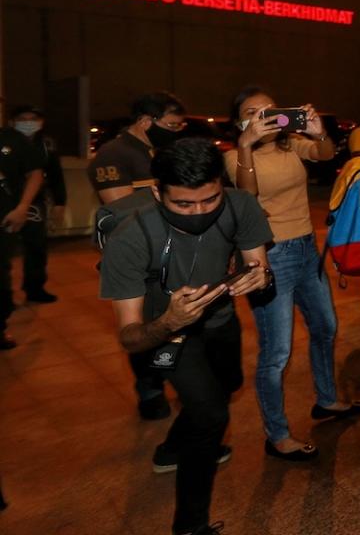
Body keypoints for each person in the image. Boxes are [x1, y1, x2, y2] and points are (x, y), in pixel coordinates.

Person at [100, 138, 272, 535]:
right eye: (183, 205)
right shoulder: (130, 238)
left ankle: (171, 449)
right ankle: (189, 525)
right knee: (212, 414)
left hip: (221, 319)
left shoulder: (240, 205)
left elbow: (257, 267)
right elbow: (130, 338)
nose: (199, 212)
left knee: (228, 385)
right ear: (157, 191)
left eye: (209, 200)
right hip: (166, 335)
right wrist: (169, 321)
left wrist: (262, 276)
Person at [224, 86, 360, 461]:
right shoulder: (233, 156)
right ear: (241, 120)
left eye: (271, 109)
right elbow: (247, 194)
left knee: (325, 327)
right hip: (270, 256)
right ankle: (278, 434)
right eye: (254, 112)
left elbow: (324, 153)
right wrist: (245, 145)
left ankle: (327, 399)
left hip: (305, 248)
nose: (264, 117)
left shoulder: (290, 146)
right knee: (277, 351)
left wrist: (318, 131)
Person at [88, 91, 187, 420]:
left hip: (172, 249)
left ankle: (181, 380)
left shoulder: (158, 150)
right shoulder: (112, 154)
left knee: (176, 321)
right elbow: (123, 214)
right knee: (142, 327)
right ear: (147, 121)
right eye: (171, 124)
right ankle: (150, 389)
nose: (175, 131)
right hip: (138, 255)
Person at [10, 105, 67, 303]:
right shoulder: (6, 141)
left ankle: (35, 289)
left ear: (41, 122)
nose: (28, 122)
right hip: (7, 201)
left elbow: (55, 173)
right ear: (13, 122)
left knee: (36, 246)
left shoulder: (46, 143)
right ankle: (4, 296)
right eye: (22, 118)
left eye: (32, 118)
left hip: (35, 203)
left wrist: (60, 201)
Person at [0, 124, 43, 349]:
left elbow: (35, 172)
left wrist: (22, 207)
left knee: (0, 274)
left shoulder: (13, 139)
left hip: (4, 217)